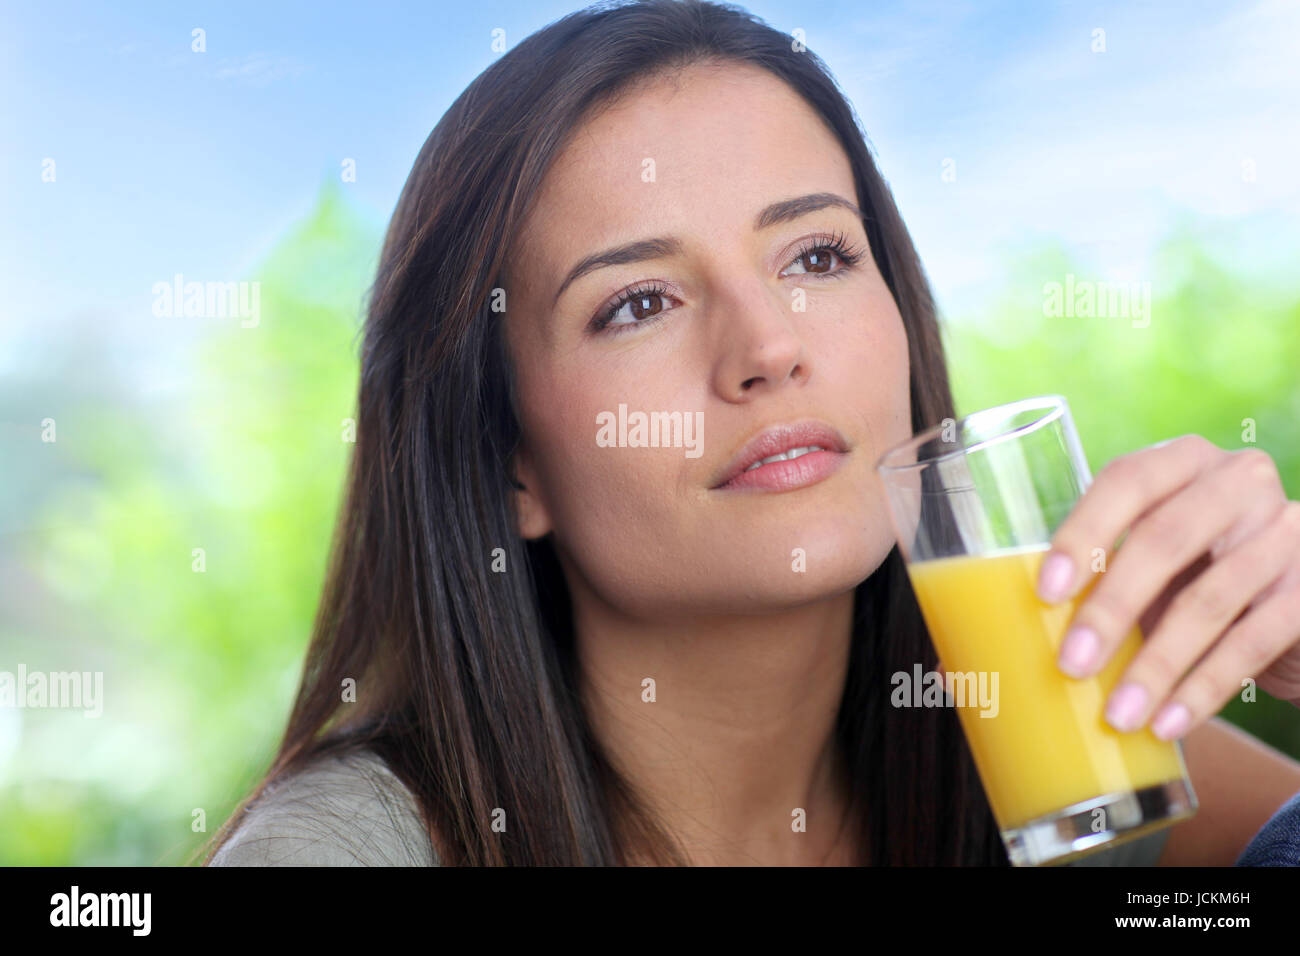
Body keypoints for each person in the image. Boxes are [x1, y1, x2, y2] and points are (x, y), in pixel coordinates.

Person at [205, 0, 1300, 867]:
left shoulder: (1054, 735)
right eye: (637, 302)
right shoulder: (350, 850)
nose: (769, 346)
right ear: (506, 465)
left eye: (816, 257)